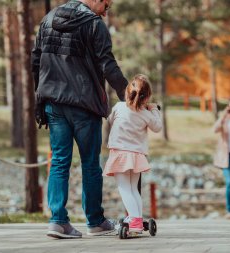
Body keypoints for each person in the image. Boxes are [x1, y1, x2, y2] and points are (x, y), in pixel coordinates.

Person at [31, 0, 128, 239]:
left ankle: (57, 221)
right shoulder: (94, 25)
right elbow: (107, 64)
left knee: (60, 161)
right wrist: (129, 95)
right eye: (106, 4)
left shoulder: (49, 19)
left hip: (54, 101)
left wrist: (40, 97)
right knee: (90, 164)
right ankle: (95, 221)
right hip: (85, 104)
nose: (107, 11)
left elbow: (36, 60)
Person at [103, 74, 162, 233]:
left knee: (124, 188)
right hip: (136, 155)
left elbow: (109, 120)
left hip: (120, 154)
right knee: (133, 189)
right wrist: (154, 109)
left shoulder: (119, 107)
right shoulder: (146, 113)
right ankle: (137, 218)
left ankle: (135, 221)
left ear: (127, 92)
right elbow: (157, 127)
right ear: (147, 96)